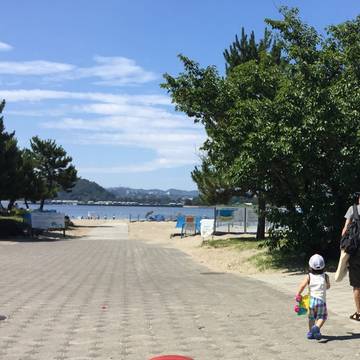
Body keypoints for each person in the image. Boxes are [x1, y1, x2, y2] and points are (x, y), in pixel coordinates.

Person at [296, 254, 330, 340]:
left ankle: (311, 333)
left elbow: (302, 286)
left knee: (311, 318)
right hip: (321, 301)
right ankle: (317, 328)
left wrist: (298, 294)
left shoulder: (309, 276)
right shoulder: (325, 276)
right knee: (322, 317)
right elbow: (328, 286)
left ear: (310, 266)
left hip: (311, 301)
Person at [341, 192, 360, 320]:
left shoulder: (353, 209)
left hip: (356, 251)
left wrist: (342, 247)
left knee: (357, 285)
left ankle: (359, 313)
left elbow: (345, 229)